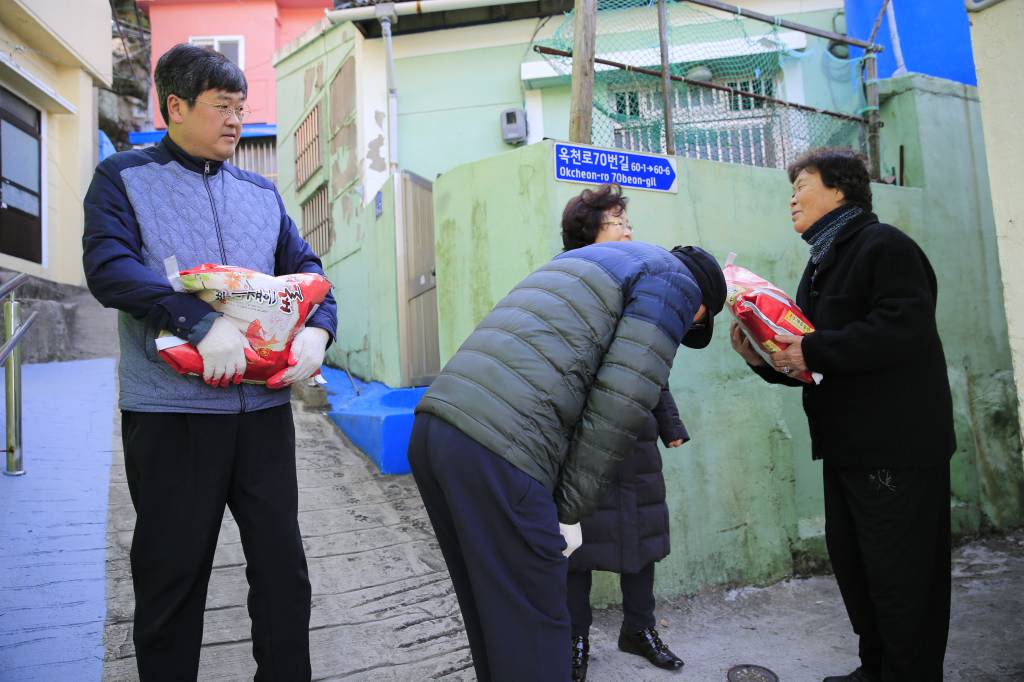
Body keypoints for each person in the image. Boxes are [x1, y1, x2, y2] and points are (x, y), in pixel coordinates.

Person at [82, 44, 337, 682]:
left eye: (241, 109)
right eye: (222, 107)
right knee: (173, 576)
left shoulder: (260, 191)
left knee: (283, 571)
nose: (236, 122)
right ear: (175, 106)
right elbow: (110, 268)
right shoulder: (124, 180)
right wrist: (198, 322)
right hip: (172, 418)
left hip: (263, 418)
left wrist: (319, 334)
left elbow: (308, 271)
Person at [408, 196, 727, 681]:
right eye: (695, 324)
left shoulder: (582, 261)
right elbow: (620, 403)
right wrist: (568, 511)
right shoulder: (675, 281)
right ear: (700, 304)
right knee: (537, 624)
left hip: (437, 428)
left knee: (494, 613)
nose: (686, 327)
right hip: (501, 448)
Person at [729, 148, 954, 682]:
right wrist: (761, 357)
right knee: (859, 569)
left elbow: (903, 328)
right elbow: (815, 361)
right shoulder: (822, 263)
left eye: (801, 184)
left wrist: (814, 351)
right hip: (848, 446)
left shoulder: (885, 246)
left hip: (895, 446)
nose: (791, 198)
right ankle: (874, 669)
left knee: (901, 577)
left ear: (840, 189)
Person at [560, 185, 687, 682]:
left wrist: (669, 424)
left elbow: (646, 359)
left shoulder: (636, 282)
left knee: (641, 537)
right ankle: (574, 639)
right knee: (576, 546)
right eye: (617, 222)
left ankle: (640, 629)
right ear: (588, 235)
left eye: (626, 222)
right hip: (581, 437)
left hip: (633, 433)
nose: (629, 230)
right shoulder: (567, 282)